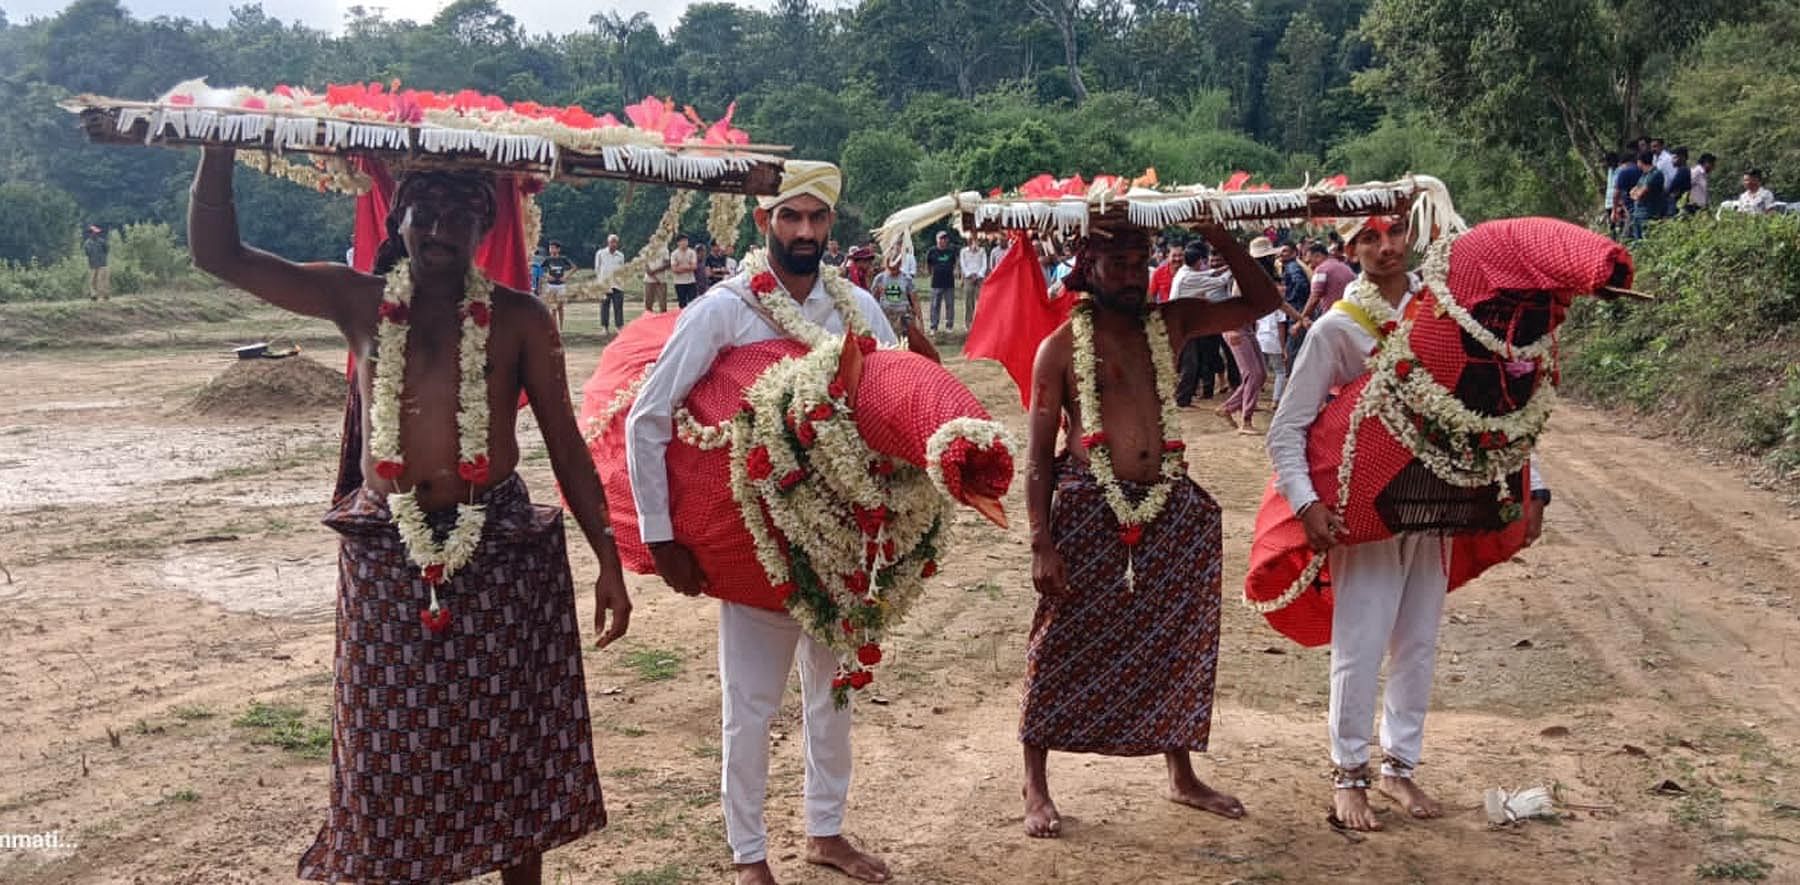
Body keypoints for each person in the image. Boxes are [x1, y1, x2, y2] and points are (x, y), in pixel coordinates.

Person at [188, 148, 629, 884]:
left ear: (484, 230)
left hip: (499, 551)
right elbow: (219, 254)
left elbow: (567, 447)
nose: (441, 231)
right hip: (388, 557)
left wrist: (609, 559)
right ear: (399, 219)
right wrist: (218, 146)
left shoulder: (517, 319)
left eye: (461, 216)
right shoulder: (356, 300)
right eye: (426, 213)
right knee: (388, 751)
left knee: (508, 746)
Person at [625, 162, 931, 885]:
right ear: (765, 224)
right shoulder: (725, 310)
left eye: (815, 219)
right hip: (752, 546)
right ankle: (748, 854)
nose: (802, 231)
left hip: (841, 548)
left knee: (833, 695)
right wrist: (661, 534)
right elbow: (649, 416)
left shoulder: (857, 308)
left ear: (829, 226)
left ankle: (827, 832)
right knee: (751, 707)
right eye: (788, 218)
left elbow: (892, 404)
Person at [1267, 211, 1550, 833]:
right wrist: (1307, 504)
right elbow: (1286, 429)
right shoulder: (1337, 331)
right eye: (1368, 237)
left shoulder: (1448, 316)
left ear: (1411, 238)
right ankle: (1348, 774)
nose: (1386, 246)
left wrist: (1538, 487)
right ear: (1349, 248)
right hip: (1364, 516)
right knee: (1361, 644)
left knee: (1418, 642)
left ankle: (1399, 765)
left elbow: (1500, 402)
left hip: (1437, 508)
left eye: (1394, 233)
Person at [1020, 219, 1280, 839]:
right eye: (1117, 264)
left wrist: (1220, 238)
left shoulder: (1173, 322)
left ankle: (1181, 773)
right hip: (1088, 502)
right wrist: (1041, 541)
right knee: (1062, 640)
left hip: (1170, 506)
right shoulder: (1060, 347)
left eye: (1140, 262)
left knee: (1175, 638)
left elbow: (1264, 302)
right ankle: (1035, 782)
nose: (1132, 276)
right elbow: (1036, 455)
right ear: (1088, 266)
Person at [1169, 242, 1232, 405]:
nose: (1205, 264)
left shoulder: (1185, 271)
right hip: (1181, 325)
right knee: (1190, 363)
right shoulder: (1188, 277)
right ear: (1198, 262)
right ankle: (1181, 399)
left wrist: (1225, 268)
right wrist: (1234, 268)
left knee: (1190, 362)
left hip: (1183, 323)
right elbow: (1219, 282)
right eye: (1203, 261)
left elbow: (1210, 273)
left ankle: (1183, 397)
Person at [872, 253, 919, 337]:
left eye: (896, 266)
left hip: (903, 317)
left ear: (900, 264)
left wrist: (920, 321)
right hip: (886, 316)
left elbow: (915, 301)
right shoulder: (880, 278)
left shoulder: (907, 279)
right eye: (891, 267)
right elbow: (873, 300)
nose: (893, 269)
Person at [925, 230, 958, 334]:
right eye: (941, 238)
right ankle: (933, 327)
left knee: (950, 305)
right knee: (935, 305)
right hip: (936, 282)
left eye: (945, 238)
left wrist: (955, 271)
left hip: (949, 282)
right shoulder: (932, 251)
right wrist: (931, 274)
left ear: (947, 240)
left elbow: (954, 263)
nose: (943, 240)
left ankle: (949, 326)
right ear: (937, 239)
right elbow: (928, 264)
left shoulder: (951, 251)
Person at [1627, 151, 1665, 239]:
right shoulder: (1644, 175)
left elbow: (1639, 194)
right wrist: (1636, 193)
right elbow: (1632, 191)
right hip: (1638, 214)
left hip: (1649, 214)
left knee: (1648, 239)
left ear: (1640, 162)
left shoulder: (1655, 174)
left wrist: (1636, 194)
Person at [540, 240, 576, 328]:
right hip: (551, 285)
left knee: (560, 307)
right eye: (550, 248)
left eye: (553, 248)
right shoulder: (547, 259)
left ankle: (561, 327)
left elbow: (574, 267)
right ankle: (554, 327)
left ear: (558, 249)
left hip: (561, 286)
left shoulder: (563, 259)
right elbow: (540, 270)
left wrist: (566, 276)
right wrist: (547, 276)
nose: (551, 250)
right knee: (553, 308)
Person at [595, 233, 627, 333]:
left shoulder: (620, 255)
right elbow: (597, 268)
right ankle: (604, 327)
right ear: (608, 242)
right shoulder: (601, 253)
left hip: (617, 284)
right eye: (611, 242)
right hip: (604, 284)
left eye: (615, 242)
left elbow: (622, 269)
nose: (613, 244)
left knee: (618, 306)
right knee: (604, 306)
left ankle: (619, 326)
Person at [958, 232, 989, 327]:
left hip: (979, 278)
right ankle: (968, 322)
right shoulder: (963, 251)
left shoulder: (982, 251)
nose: (974, 244)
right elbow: (963, 265)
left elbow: (984, 264)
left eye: (976, 241)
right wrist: (969, 275)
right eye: (972, 241)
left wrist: (979, 275)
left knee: (982, 300)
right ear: (969, 242)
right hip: (968, 278)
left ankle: (982, 322)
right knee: (969, 300)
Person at [670, 235, 700, 307]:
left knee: (693, 302)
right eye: (682, 241)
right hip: (679, 282)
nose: (684, 243)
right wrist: (688, 267)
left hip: (691, 281)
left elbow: (694, 267)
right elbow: (674, 269)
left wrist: (680, 267)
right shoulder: (674, 254)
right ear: (678, 243)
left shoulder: (692, 252)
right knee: (682, 303)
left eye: (686, 241)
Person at [83, 224, 110, 301]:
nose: (95, 234)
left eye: (96, 233)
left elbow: (106, 250)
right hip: (92, 264)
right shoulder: (87, 244)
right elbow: (87, 253)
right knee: (92, 281)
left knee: (102, 280)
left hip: (102, 263)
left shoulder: (102, 242)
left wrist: (102, 258)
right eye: (94, 232)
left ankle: (105, 295)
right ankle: (94, 295)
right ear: (90, 233)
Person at [1664, 147, 1692, 216]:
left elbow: (1672, 187)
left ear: (1682, 158)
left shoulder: (1683, 171)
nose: (1672, 160)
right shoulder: (1682, 170)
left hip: (1680, 204)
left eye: (1675, 158)